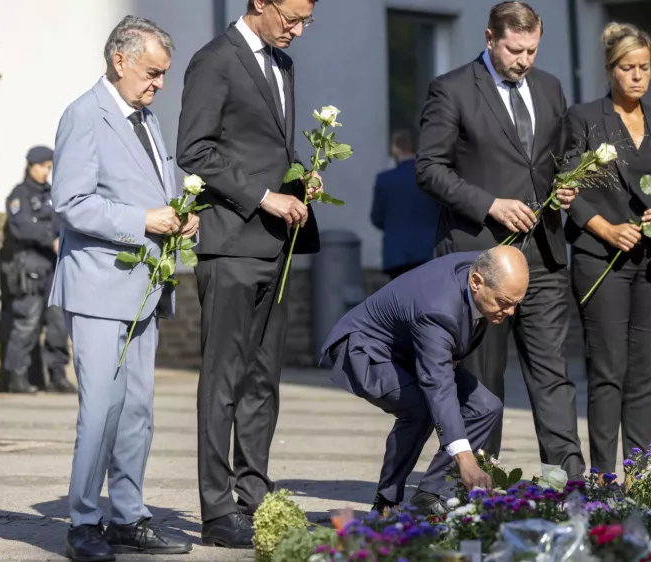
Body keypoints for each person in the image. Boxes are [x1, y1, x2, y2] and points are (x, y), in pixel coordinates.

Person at [415, 1, 585, 483]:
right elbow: (428, 170)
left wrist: (568, 182)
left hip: (545, 255)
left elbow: (561, 153)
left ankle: (569, 484)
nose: (524, 59)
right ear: (490, 39)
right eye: (515, 49)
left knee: (553, 377)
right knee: (483, 383)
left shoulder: (550, 87)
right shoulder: (451, 89)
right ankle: (479, 489)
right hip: (481, 259)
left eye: (532, 49)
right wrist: (490, 203)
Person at [176, 0, 321, 548]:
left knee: (263, 379)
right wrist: (264, 196)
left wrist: (299, 182)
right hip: (231, 243)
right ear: (259, 2)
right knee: (224, 380)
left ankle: (253, 495)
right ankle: (216, 511)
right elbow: (194, 149)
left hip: (276, 245)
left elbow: (267, 148)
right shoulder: (214, 59)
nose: (299, 30)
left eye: (308, 19)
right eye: (292, 17)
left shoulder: (283, 64)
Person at [50, 15, 195, 561]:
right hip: (97, 287)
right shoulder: (83, 115)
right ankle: (83, 523)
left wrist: (178, 215)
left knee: (138, 409)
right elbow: (70, 202)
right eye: (153, 72)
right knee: (102, 408)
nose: (159, 82)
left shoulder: (146, 117)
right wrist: (145, 220)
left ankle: (128, 516)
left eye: (163, 74)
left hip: (144, 286)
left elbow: (150, 188)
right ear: (120, 59)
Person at [563, 22, 651, 475]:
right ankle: (602, 476)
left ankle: (640, 475)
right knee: (608, 369)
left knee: (645, 372)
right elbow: (568, 185)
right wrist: (606, 229)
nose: (637, 76)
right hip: (602, 259)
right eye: (627, 68)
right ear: (609, 69)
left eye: (644, 68)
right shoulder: (583, 118)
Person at [320, 247, 528, 515]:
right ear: (476, 282)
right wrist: (465, 459)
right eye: (504, 302)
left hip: (414, 347)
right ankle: (386, 503)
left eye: (516, 303)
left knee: (486, 406)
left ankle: (430, 495)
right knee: (419, 409)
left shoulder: (486, 271)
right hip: (367, 349)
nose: (511, 312)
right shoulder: (438, 308)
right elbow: (438, 386)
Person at [0, 145, 74, 394]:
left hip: (53, 269)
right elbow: (22, 228)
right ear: (30, 165)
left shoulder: (53, 194)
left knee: (58, 324)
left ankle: (57, 376)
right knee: (27, 324)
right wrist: (48, 238)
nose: (45, 172)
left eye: (49, 168)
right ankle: (16, 377)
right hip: (29, 268)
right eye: (42, 166)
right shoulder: (18, 195)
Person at [370, 130, 441, 280]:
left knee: (398, 301)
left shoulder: (385, 179)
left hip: (396, 254)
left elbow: (376, 218)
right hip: (427, 252)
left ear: (395, 148)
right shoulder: (431, 177)